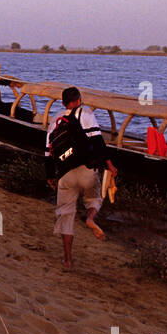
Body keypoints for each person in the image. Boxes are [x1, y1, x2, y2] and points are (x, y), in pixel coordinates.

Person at [46, 86, 117, 271]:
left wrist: (50, 177)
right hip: (86, 170)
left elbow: (48, 153)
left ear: (63, 103)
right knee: (94, 199)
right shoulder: (85, 113)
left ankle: (68, 260)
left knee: (66, 215)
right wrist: (109, 164)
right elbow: (98, 142)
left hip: (64, 175)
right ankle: (91, 218)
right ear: (79, 100)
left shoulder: (55, 120)